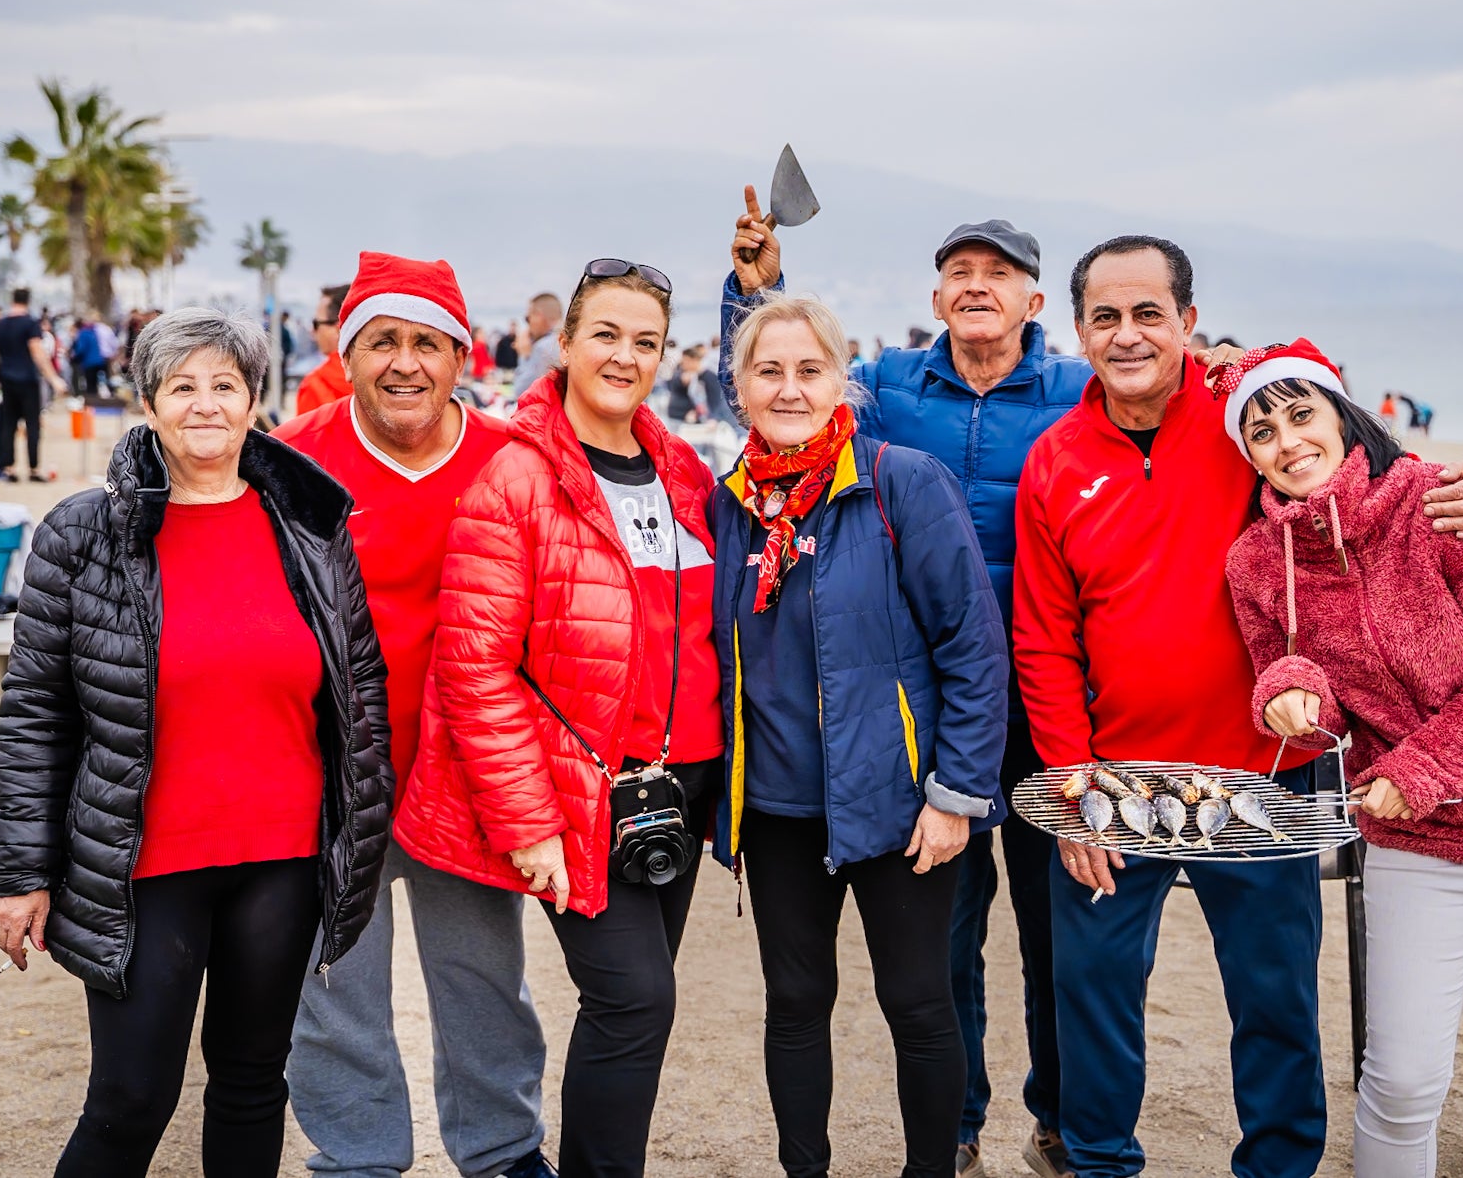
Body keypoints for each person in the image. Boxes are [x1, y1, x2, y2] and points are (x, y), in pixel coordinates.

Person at [1011, 236, 1463, 1178]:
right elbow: (1045, 637)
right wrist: (1073, 777)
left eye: (1150, 314)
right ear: (1077, 330)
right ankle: (1096, 1161)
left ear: (1188, 323)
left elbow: (1364, 464)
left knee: (1277, 1000)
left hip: (1265, 777)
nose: (1129, 335)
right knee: (1091, 990)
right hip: (1118, 782)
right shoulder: (1053, 461)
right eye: (1107, 317)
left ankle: (1279, 1167)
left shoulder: (1243, 420)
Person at [721, 194, 1093, 1178]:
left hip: (1028, 704)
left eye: (997, 273)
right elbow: (778, 364)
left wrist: (1217, 369)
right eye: (959, 273)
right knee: (940, 959)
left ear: (1031, 298)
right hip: (884, 737)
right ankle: (959, 1132)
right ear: (934, 296)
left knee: (1051, 943)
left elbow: (1166, 410)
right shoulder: (879, 389)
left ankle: (1056, 1122)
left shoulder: (1076, 390)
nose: (976, 286)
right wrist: (752, 289)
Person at [0, 307, 392, 1178]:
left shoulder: (312, 527)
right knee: (131, 1097)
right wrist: (20, 871)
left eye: (225, 386)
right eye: (183, 387)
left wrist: (359, 838)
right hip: (146, 862)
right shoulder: (81, 533)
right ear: (148, 402)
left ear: (254, 400)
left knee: (251, 1083)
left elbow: (361, 689)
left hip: (279, 858)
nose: (204, 405)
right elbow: (33, 712)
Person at [1216, 340, 1463, 1178]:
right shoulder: (1256, 560)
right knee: (1399, 1077)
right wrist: (1289, 695)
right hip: (1414, 840)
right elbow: (1287, 666)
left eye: (1300, 415)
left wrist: (1422, 769)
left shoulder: (1438, 501)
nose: (1287, 442)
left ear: (1340, 412)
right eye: (1261, 432)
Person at [397, 260, 721, 1178]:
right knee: (633, 1000)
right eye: (606, 335)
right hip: (582, 793)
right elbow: (474, 668)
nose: (625, 355)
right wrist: (527, 819)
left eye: (647, 341)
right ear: (565, 342)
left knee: (641, 1005)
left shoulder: (681, 469)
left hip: (681, 784)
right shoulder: (514, 478)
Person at [709, 293, 1008, 1178]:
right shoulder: (729, 503)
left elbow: (973, 647)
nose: (790, 388)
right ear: (741, 387)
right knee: (795, 1002)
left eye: (809, 369)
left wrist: (956, 796)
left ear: (844, 378)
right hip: (776, 805)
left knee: (918, 1003)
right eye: (769, 370)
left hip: (900, 803)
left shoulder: (900, 481)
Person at [273, 254, 554, 1178]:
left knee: (482, 978)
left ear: (461, 358)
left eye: (427, 342)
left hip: (461, 770)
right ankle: (356, 1155)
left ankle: (504, 1149)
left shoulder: (510, 457)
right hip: (327, 772)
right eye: (383, 340)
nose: (405, 362)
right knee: (333, 980)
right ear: (347, 353)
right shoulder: (291, 456)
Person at [0, 287, 66, 481]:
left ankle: (8, 467)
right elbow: (37, 351)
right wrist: (53, 378)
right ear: (28, 301)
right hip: (28, 380)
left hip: (6, 379)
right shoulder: (30, 324)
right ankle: (33, 469)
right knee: (32, 425)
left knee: (7, 424)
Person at [292, 284, 352, 416]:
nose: (313, 331)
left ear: (338, 329)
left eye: (316, 323)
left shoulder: (315, 386)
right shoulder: (384, 378)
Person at [509, 291, 563, 399]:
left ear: (538, 315)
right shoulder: (566, 338)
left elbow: (521, 392)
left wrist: (524, 355)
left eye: (527, 318)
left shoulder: (543, 347)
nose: (528, 324)